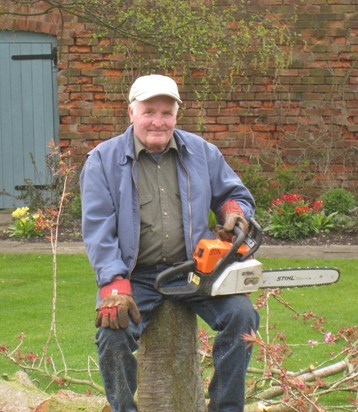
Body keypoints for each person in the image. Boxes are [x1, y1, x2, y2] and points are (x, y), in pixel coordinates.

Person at [80, 74, 260, 412]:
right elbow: (98, 229)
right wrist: (114, 285)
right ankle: (123, 408)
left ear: (178, 114)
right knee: (112, 336)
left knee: (241, 316)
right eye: (149, 112)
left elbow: (233, 193)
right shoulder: (102, 161)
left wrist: (234, 212)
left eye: (167, 113)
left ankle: (225, 407)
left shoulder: (202, 152)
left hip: (194, 270)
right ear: (131, 112)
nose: (158, 122)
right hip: (136, 275)